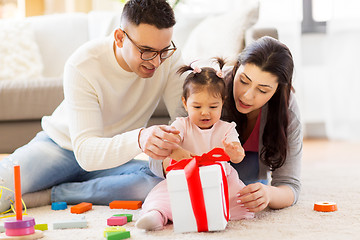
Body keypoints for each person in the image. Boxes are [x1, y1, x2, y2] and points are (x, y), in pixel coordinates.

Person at [0, 0, 186, 213]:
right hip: (60, 147)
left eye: (163, 51)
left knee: (160, 184)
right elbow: (86, 153)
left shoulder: (169, 58)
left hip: (113, 158)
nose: (156, 62)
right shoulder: (83, 64)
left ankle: (53, 194)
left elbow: (182, 118)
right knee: (2, 190)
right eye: (146, 51)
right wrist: (140, 138)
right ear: (119, 37)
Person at [150, 36, 302, 214]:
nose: (247, 96)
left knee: (249, 183)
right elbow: (159, 156)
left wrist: (268, 193)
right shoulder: (208, 89)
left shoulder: (287, 111)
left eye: (262, 90)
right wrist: (175, 159)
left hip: (239, 174)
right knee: (143, 189)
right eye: (244, 81)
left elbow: (290, 185)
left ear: (278, 90)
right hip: (189, 171)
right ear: (236, 68)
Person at [135, 58, 254, 231]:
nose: (205, 112)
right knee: (163, 195)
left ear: (223, 102)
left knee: (242, 202)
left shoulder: (227, 128)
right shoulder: (182, 125)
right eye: (197, 107)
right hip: (186, 178)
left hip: (221, 180)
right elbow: (170, 141)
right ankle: (157, 215)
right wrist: (175, 149)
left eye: (213, 106)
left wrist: (234, 152)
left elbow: (238, 155)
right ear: (185, 103)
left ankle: (216, 213)